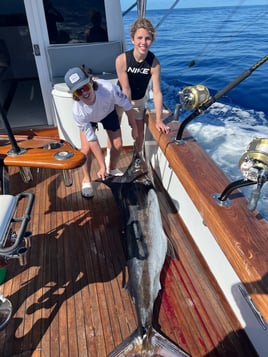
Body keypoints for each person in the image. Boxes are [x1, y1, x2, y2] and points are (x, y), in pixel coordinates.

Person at [64, 67, 138, 198]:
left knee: (118, 144)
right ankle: (86, 179)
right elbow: (92, 140)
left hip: (108, 112)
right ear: (75, 95)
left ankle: (112, 168)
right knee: (85, 150)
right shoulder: (78, 111)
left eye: (85, 87)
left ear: (91, 82)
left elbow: (127, 105)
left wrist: (134, 127)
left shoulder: (108, 89)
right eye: (78, 92)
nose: (84, 93)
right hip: (89, 119)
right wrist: (101, 165)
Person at [115, 18, 170, 153]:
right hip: (120, 98)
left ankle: (137, 159)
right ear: (132, 39)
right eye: (139, 38)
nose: (143, 42)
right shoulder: (122, 60)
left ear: (152, 40)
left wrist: (159, 120)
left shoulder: (154, 63)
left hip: (138, 101)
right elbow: (126, 89)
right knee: (115, 138)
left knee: (138, 136)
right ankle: (110, 164)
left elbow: (156, 92)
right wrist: (131, 121)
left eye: (148, 38)